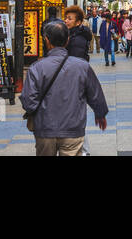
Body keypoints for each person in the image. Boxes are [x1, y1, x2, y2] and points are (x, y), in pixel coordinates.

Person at [22, 20, 109, 156]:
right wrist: (100, 113)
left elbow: (28, 101)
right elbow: (95, 93)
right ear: (67, 40)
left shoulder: (36, 68)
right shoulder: (82, 66)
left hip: (45, 128)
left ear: (47, 40)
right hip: (73, 127)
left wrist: (39, 112)